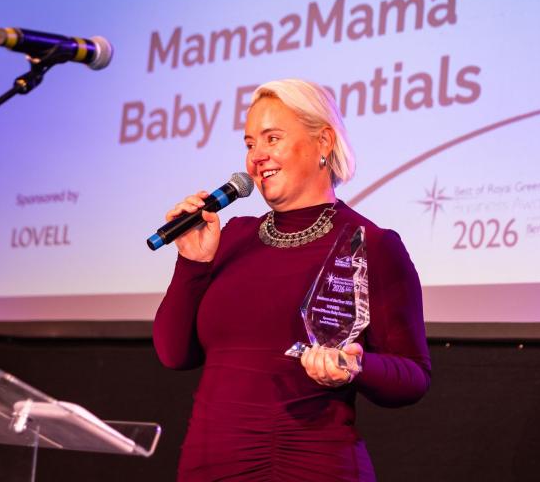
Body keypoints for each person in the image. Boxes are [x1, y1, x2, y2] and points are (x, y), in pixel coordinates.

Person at [153, 79, 431, 481]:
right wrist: (192, 263)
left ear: (324, 143)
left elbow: (414, 375)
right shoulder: (231, 237)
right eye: (250, 144)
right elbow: (174, 354)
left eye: (272, 138)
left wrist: (356, 367)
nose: (256, 157)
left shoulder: (371, 244)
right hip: (207, 463)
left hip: (305, 464)